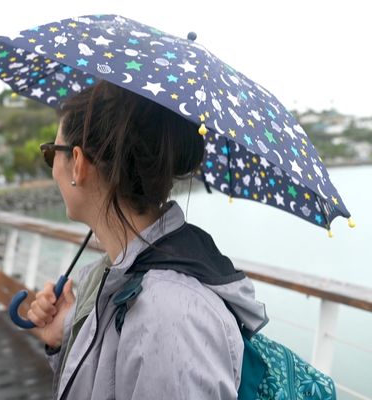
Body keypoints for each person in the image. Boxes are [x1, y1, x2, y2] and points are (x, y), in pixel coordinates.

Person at [27, 81, 268, 400]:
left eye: (50, 153)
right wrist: (64, 337)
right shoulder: (114, 274)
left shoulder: (171, 317)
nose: (51, 167)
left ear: (78, 163)